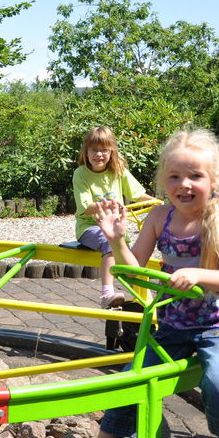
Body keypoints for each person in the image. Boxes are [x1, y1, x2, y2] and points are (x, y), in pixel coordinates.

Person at [46, 128, 219, 438]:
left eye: (195, 176)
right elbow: (135, 271)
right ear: (162, 180)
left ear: (213, 179)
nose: (183, 184)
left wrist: (198, 274)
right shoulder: (160, 216)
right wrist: (115, 239)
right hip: (174, 323)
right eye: (174, 176)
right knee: (128, 385)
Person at [72, 126, 155, 308]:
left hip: (116, 228)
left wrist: (158, 202)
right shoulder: (81, 174)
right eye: (94, 150)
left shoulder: (118, 171)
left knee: (131, 258)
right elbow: (85, 207)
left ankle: (144, 298)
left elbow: (137, 194)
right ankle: (106, 293)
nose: (99, 154)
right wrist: (109, 205)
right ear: (86, 152)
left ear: (112, 151)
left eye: (104, 150)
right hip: (90, 227)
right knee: (110, 244)